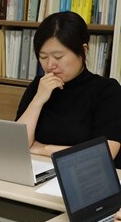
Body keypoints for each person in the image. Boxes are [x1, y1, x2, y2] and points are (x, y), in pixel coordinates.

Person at [16, 11, 121, 167]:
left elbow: (104, 154)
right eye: (43, 57)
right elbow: (17, 144)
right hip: (39, 172)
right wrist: (38, 100)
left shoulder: (107, 91)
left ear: (83, 50)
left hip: (86, 178)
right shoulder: (39, 85)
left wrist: (44, 148)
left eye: (58, 56)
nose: (50, 65)